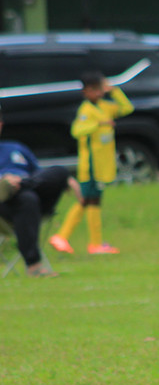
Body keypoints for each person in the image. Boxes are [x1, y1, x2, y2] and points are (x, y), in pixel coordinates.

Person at [49, 71, 133, 255]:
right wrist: (100, 124)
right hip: (90, 167)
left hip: (103, 166)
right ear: (86, 92)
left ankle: (95, 244)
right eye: (94, 90)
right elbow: (77, 131)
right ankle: (61, 236)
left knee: (94, 201)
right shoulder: (86, 111)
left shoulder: (105, 106)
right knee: (85, 200)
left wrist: (115, 92)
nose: (98, 93)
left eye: (100, 89)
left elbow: (126, 108)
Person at [0, 106, 82, 276]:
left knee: (59, 171)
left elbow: (41, 175)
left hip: (34, 197)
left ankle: (21, 184)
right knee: (26, 198)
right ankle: (34, 266)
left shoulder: (16, 148)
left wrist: (66, 179)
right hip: (5, 208)